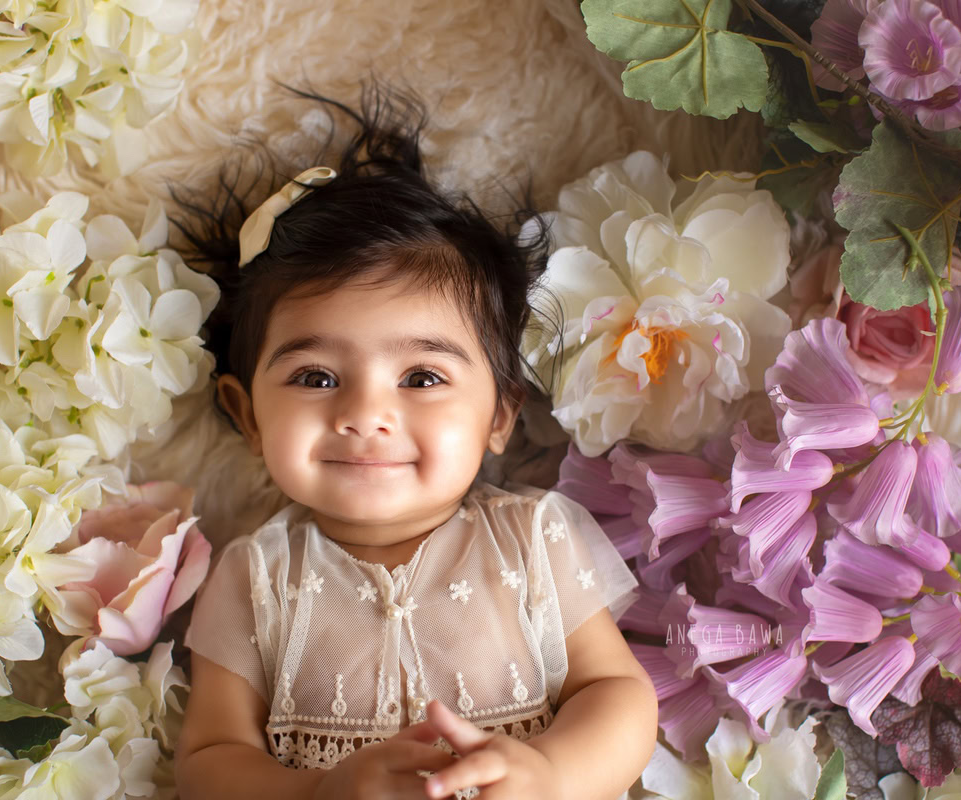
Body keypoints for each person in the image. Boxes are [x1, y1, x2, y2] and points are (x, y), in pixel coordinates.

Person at [172, 83, 657, 800]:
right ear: (247, 416)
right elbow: (210, 758)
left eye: (423, 377)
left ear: (499, 416)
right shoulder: (257, 578)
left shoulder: (533, 540)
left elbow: (618, 695)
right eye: (314, 375)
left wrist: (553, 773)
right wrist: (317, 794)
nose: (367, 413)